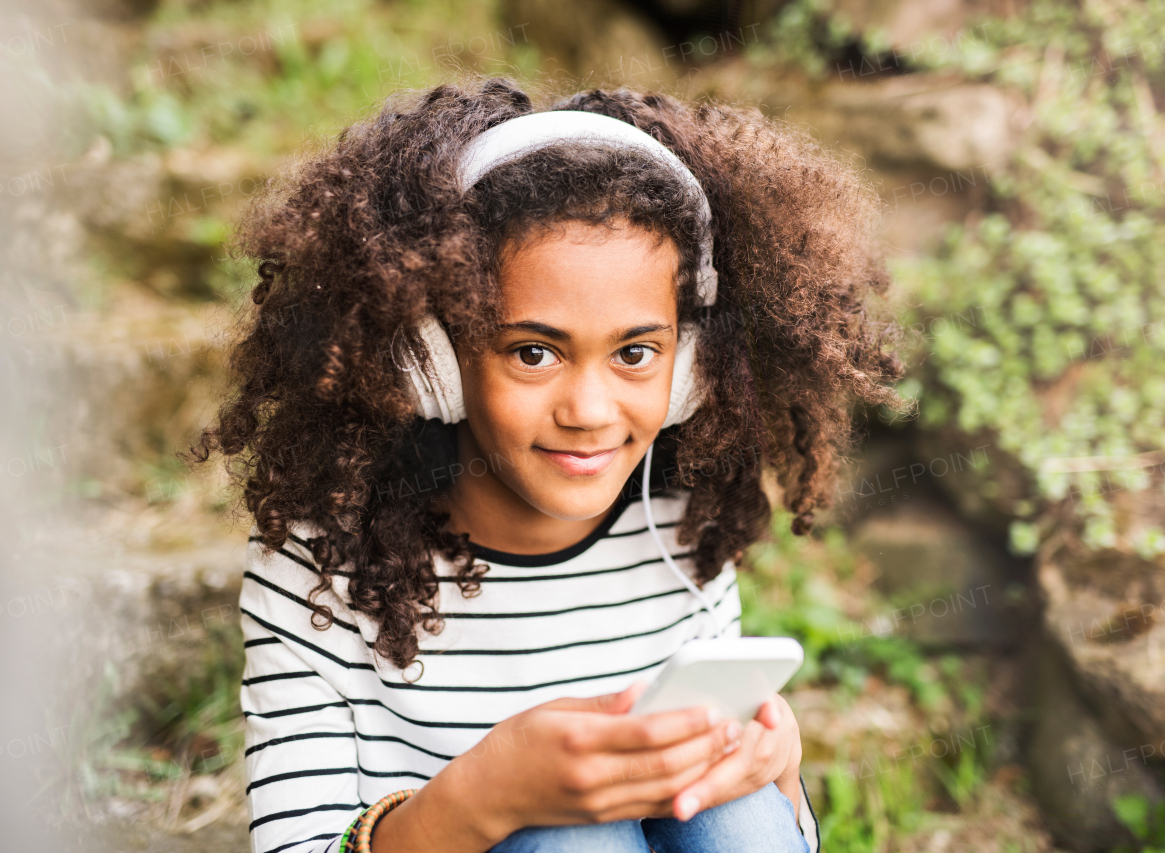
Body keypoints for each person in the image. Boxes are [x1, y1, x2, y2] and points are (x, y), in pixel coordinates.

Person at [190, 77, 904, 853]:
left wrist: (778, 770)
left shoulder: (676, 521)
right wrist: (479, 799)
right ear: (433, 359)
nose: (590, 410)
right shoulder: (315, 566)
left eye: (636, 353)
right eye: (533, 351)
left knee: (739, 817)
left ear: (691, 366)